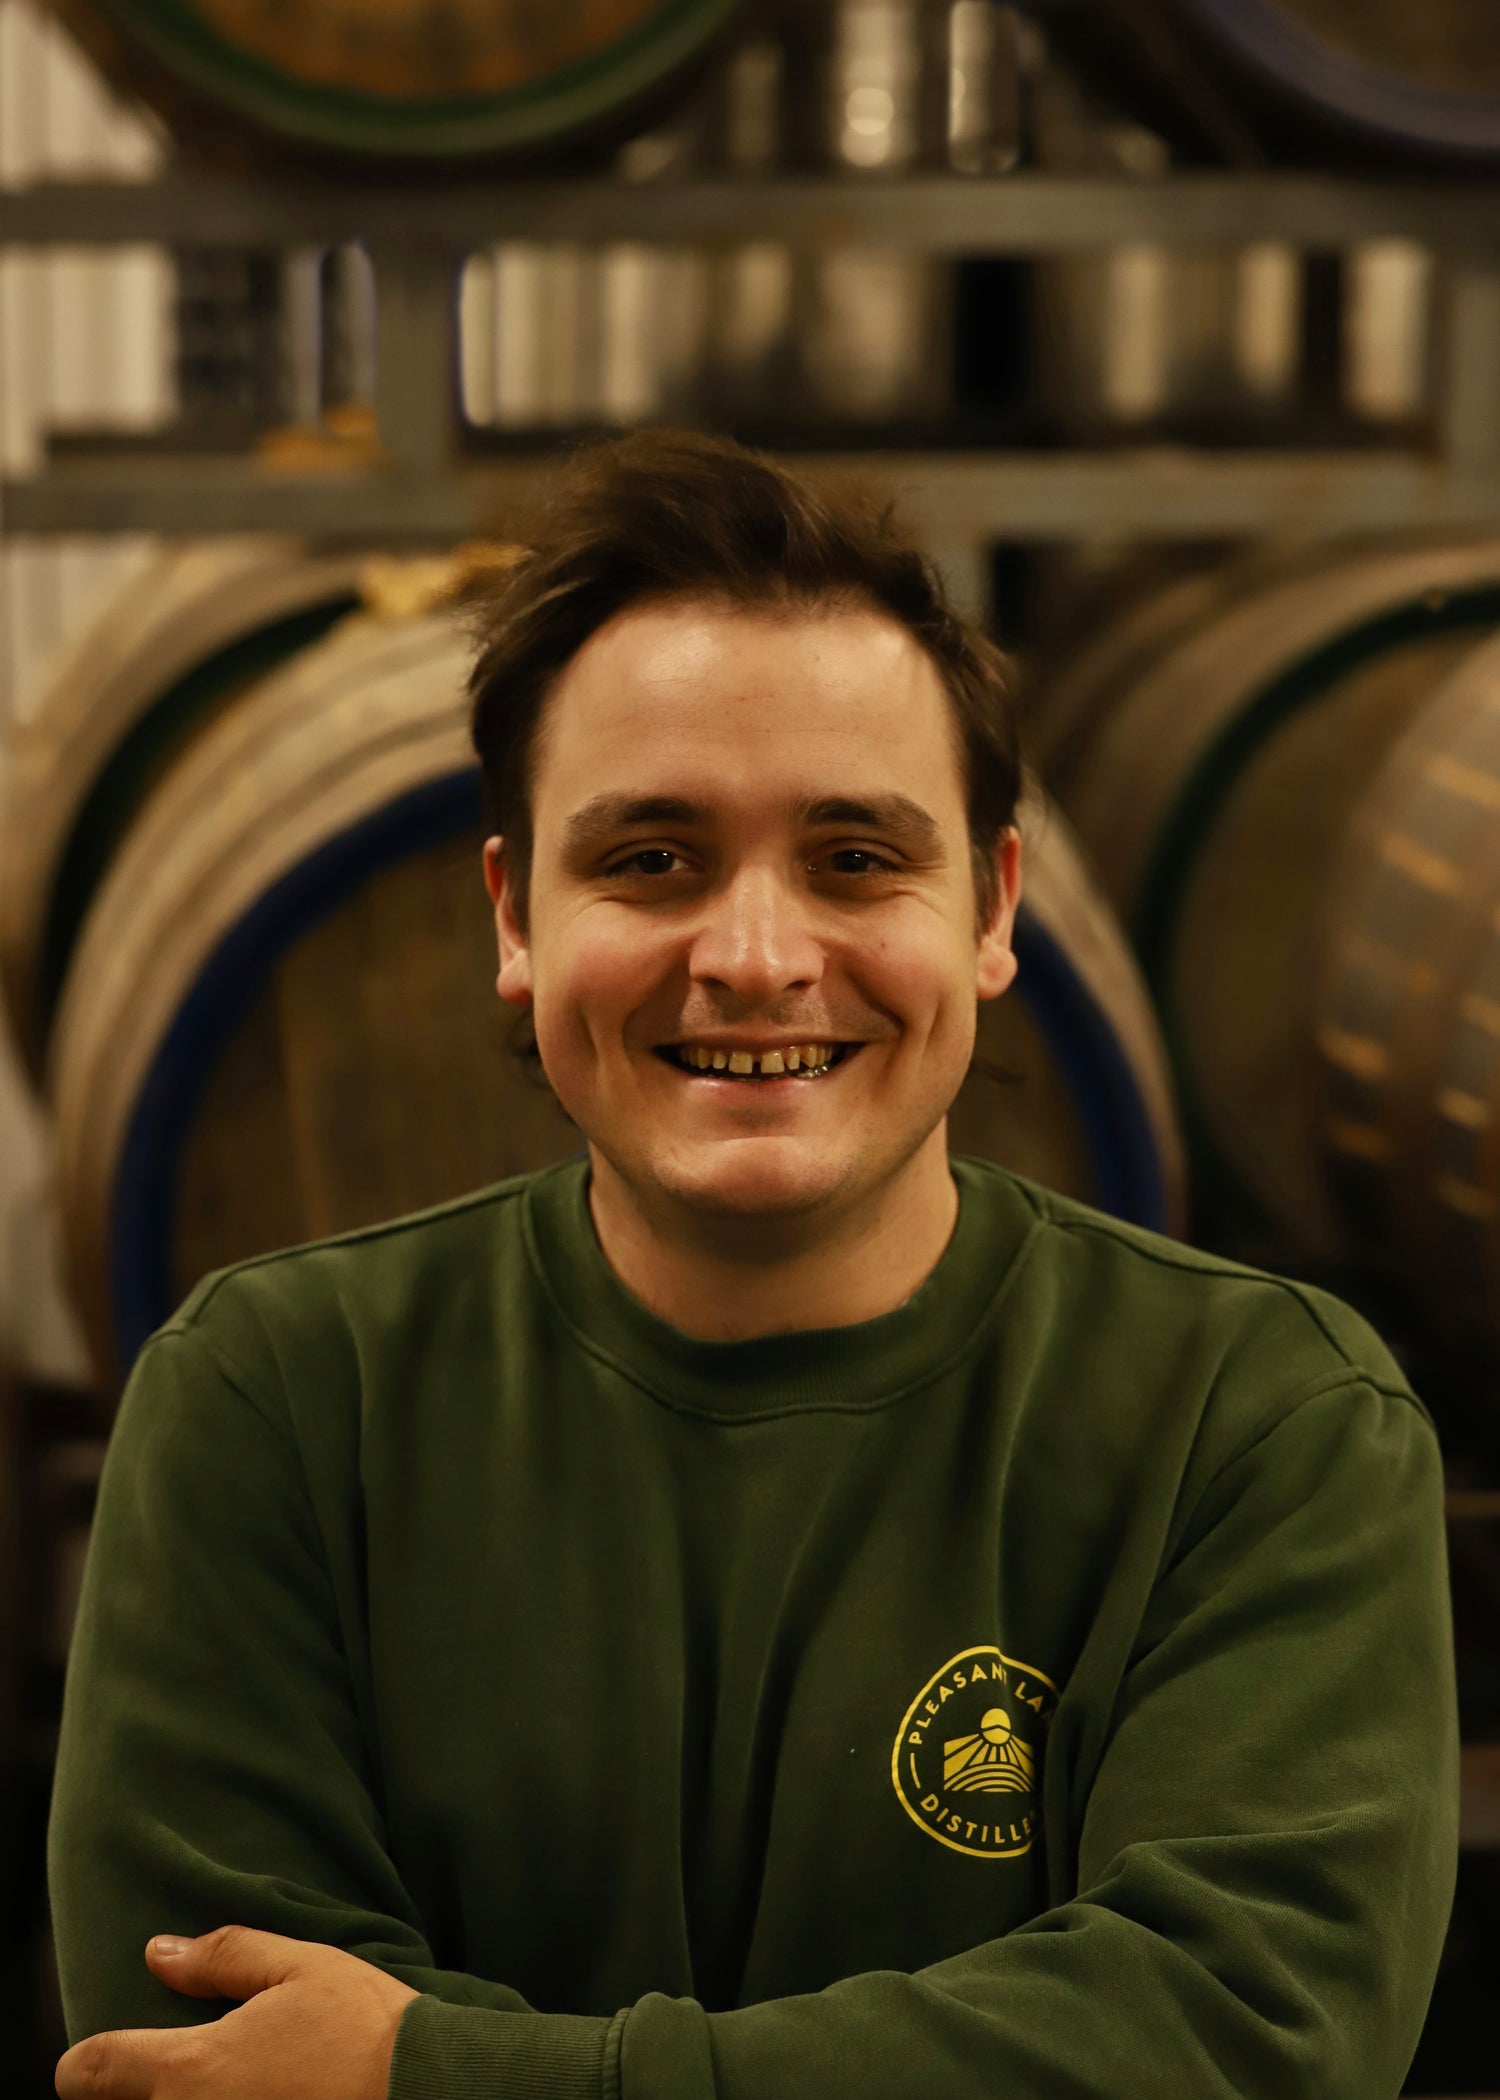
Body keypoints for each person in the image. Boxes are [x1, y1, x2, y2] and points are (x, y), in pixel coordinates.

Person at [49, 428, 1457, 2100]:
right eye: (651, 859)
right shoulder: (273, 1401)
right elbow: (208, 2056)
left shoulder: (1261, 1423)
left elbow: (1240, 2040)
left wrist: (426, 2071)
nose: (757, 956)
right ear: (514, 918)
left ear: (993, 910)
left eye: (856, 858)